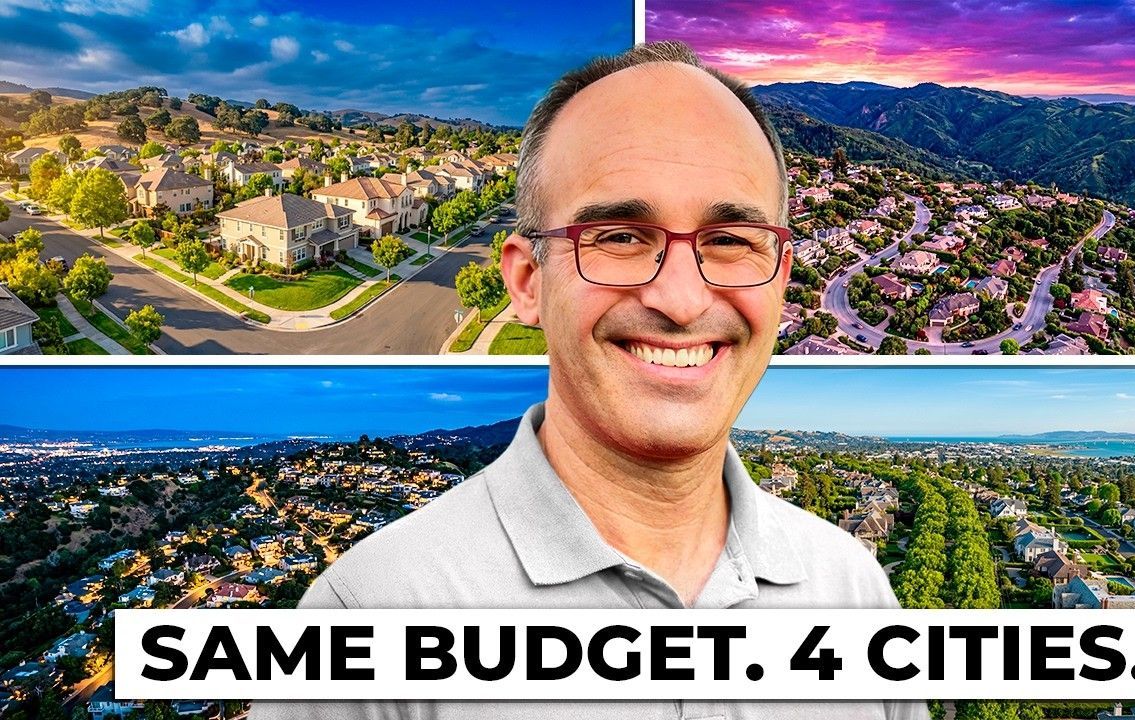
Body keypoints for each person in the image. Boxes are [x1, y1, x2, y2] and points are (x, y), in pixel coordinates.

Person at [253, 41, 925, 720]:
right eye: (621, 237)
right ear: (526, 281)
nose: (683, 300)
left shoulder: (854, 591)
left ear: (780, 280)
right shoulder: (369, 619)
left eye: (729, 240)